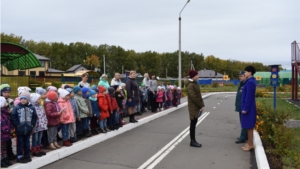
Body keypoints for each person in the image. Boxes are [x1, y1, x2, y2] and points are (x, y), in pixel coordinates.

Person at [10, 91, 37, 163]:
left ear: (28, 99)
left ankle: (26, 155)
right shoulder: (17, 107)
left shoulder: (32, 108)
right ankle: (19, 156)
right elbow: (13, 116)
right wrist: (17, 125)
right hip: (20, 129)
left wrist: (32, 125)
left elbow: (34, 117)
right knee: (20, 143)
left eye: (25, 99)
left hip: (28, 129)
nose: (23, 100)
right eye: (21, 98)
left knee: (27, 143)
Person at [185, 70, 204, 148]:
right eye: (197, 75)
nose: (198, 76)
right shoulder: (191, 85)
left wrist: (202, 105)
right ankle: (192, 141)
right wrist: (200, 105)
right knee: (193, 123)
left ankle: (193, 140)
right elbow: (193, 97)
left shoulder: (195, 83)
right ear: (193, 76)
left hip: (196, 106)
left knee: (194, 123)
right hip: (193, 106)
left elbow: (199, 96)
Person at [241, 66, 257, 151]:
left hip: (249, 108)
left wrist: (245, 108)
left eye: (246, 72)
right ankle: (248, 143)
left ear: (250, 72)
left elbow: (249, 97)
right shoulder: (249, 81)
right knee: (247, 126)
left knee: (249, 126)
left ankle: (250, 144)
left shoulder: (250, 82)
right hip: (248, 107)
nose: (245, 73)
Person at [0, 84, 16, 161]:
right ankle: (4, 156)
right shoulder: (1, 101)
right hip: (3, 124)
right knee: (4, 142)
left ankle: (10, 154)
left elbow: (13, 109)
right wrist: (8, 112)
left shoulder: (10, 100)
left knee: (10, 139)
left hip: (9, 123)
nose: (7, 94)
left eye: (8, 92)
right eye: (5, 92)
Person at [235, 71, 248, 144]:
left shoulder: (246, 84)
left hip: (243, 106)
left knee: (243, 122)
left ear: (245, 76)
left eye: (241, 76)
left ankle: (243, 137)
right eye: (239, 76)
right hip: (240, 105)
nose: (240, 77)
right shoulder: (241, 84)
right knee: (242, 122)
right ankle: (244, 135)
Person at [1, 96, 13, 167]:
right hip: (2, 134)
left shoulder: (4, 111)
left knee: (4, 148)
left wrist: (10, 127)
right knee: (1, 149)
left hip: (6, 134)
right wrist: (7, 129)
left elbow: (7, 121)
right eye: (5, 102)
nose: (6, 103)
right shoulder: (1, 113)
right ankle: (1, 160)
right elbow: (2, 124)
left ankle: (5, 158)